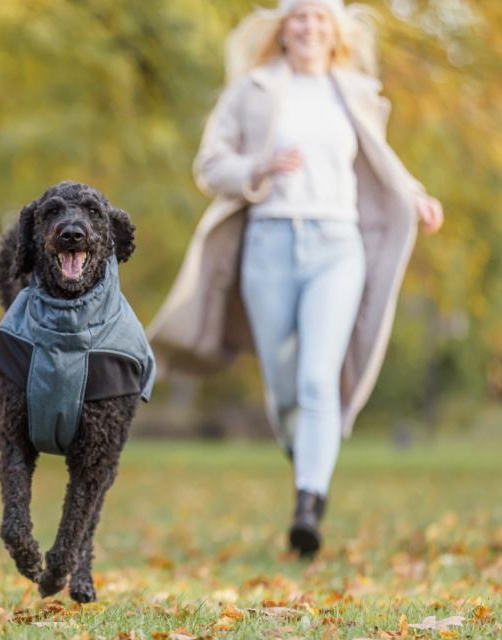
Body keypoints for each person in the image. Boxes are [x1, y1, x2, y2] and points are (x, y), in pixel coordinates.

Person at [147, 0, 443, 557]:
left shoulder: (353, 90)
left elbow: (381, 159)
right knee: (283, 385)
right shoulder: (251, 89)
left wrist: (416, 193)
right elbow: (210, 166)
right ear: (283, 29)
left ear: (335, 32)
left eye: (319, 19)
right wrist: (256, 168)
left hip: (338, 244)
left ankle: (310, 500)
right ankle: (307, 450)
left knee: (316, 378)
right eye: (298, 17)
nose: (309, 27)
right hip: (269, 244)